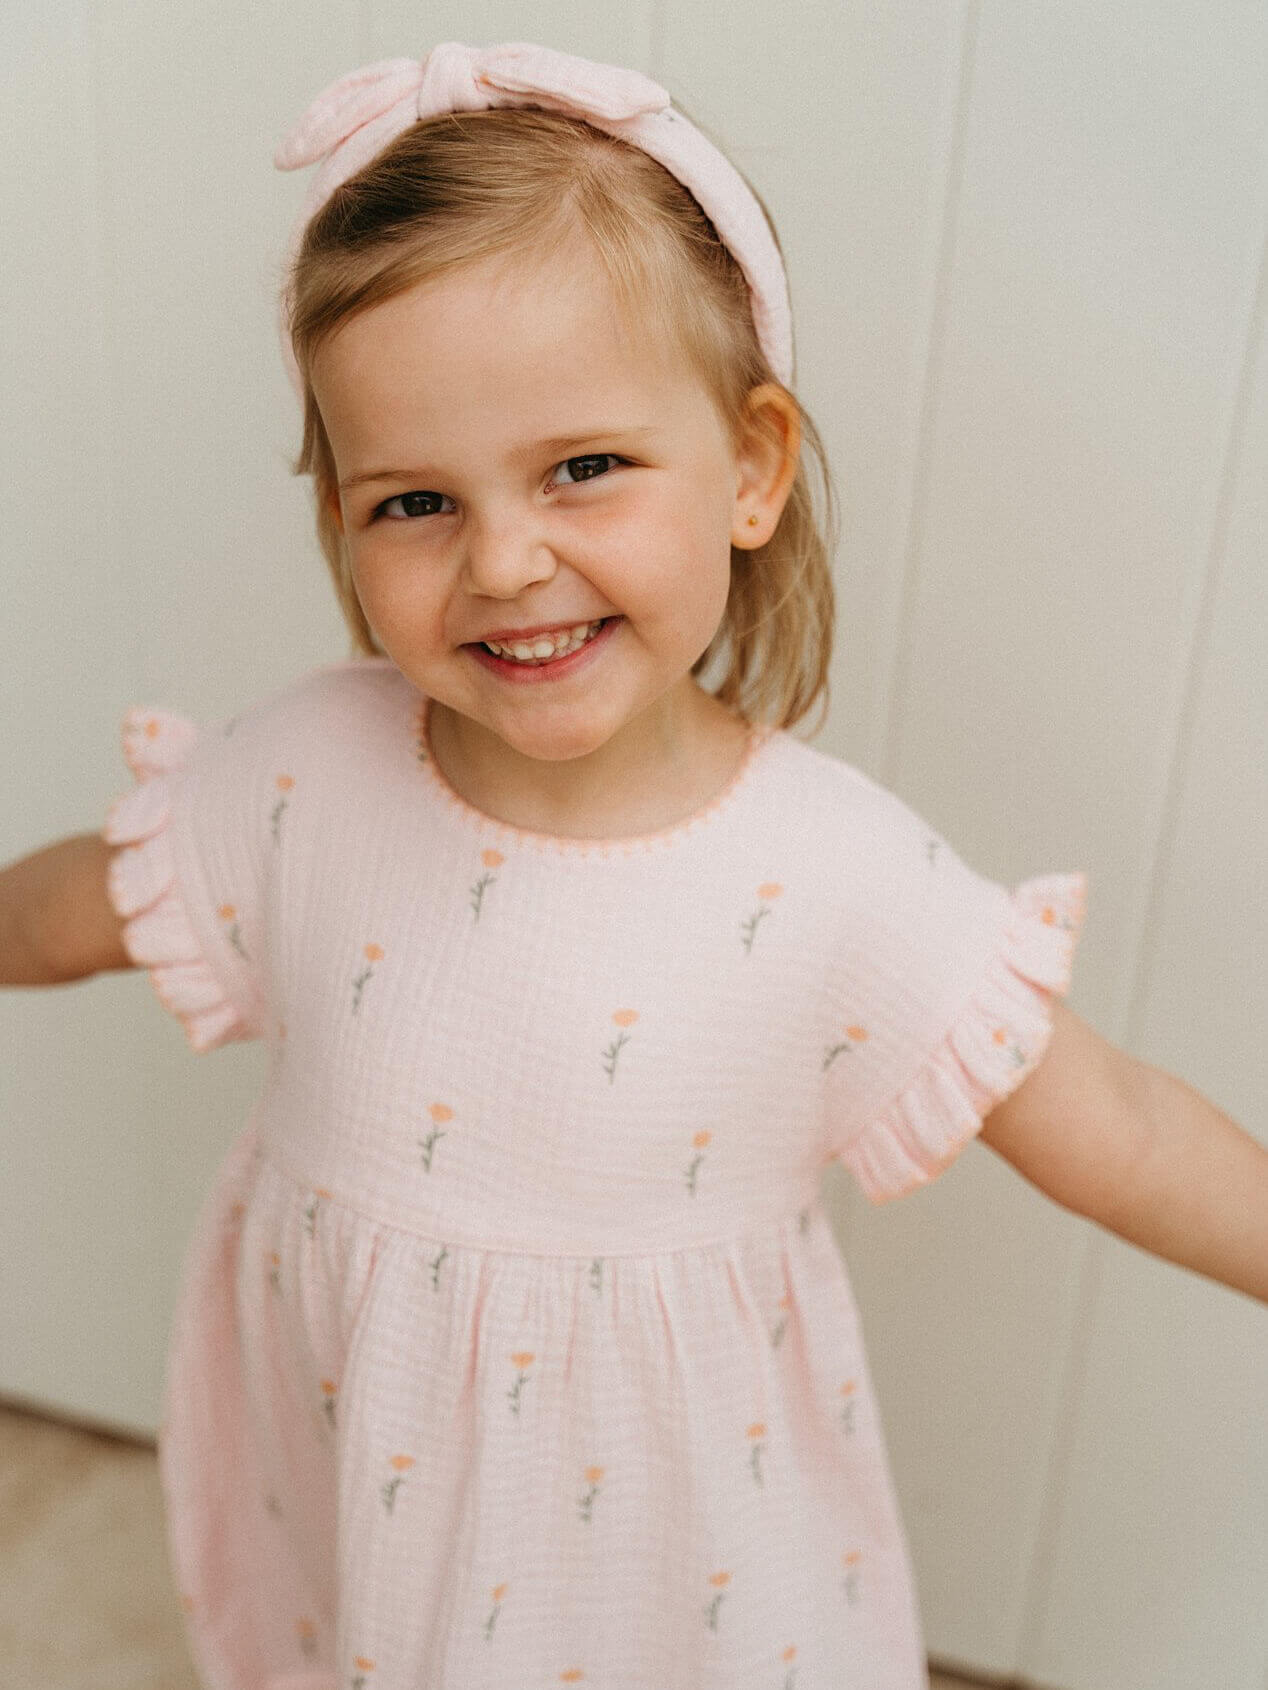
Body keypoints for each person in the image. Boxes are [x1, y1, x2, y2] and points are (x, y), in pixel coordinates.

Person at [2, 40, 1265, 1690]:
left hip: (690, 1574)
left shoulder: (833, 877)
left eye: (582, 467)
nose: (504, 558)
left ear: (750, 466)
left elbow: (1122, 1129)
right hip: (374, 1508)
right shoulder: (304, 777)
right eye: (414, 501)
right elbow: (74, 907)